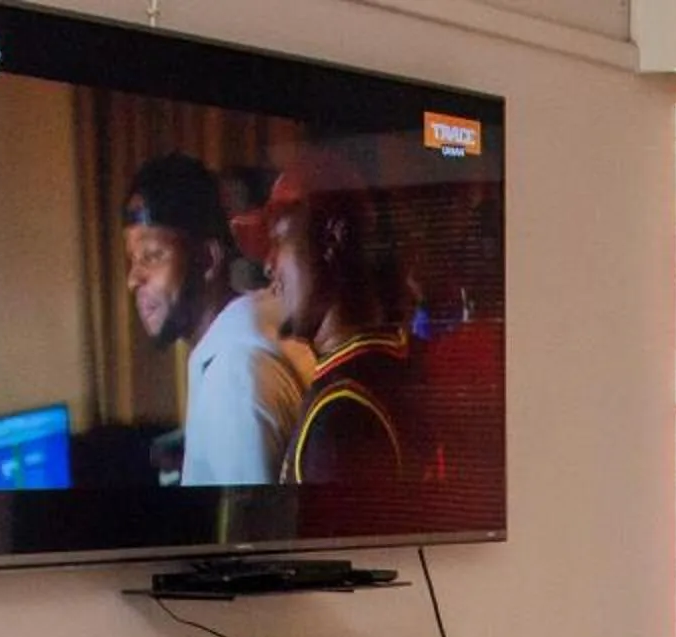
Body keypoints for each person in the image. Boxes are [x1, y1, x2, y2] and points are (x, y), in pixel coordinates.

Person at [238, 153, 443, 486]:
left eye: (278, 240)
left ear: (332, 237)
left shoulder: (342, 413)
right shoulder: (397, 361)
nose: (268, 265)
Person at [121, 153, 309, 486]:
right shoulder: (257, 325)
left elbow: (254, 534)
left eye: (151, 256)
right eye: (132, 260)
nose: (133, 280)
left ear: (208, 260)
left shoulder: (234, 378)